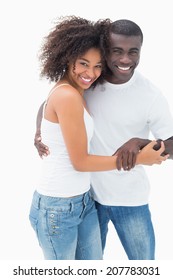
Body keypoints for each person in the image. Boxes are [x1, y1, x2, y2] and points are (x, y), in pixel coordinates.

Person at [33, 17, 170, 260]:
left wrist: (140, 142)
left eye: (132, 52)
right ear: (106, 51)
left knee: (144, 268)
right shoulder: (89, 82)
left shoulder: (149, 94)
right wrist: (39, 130)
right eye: (116, 51)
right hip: (88, 198)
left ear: (140, 51)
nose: (125, 59)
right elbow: (52, 101)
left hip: (129, 198)